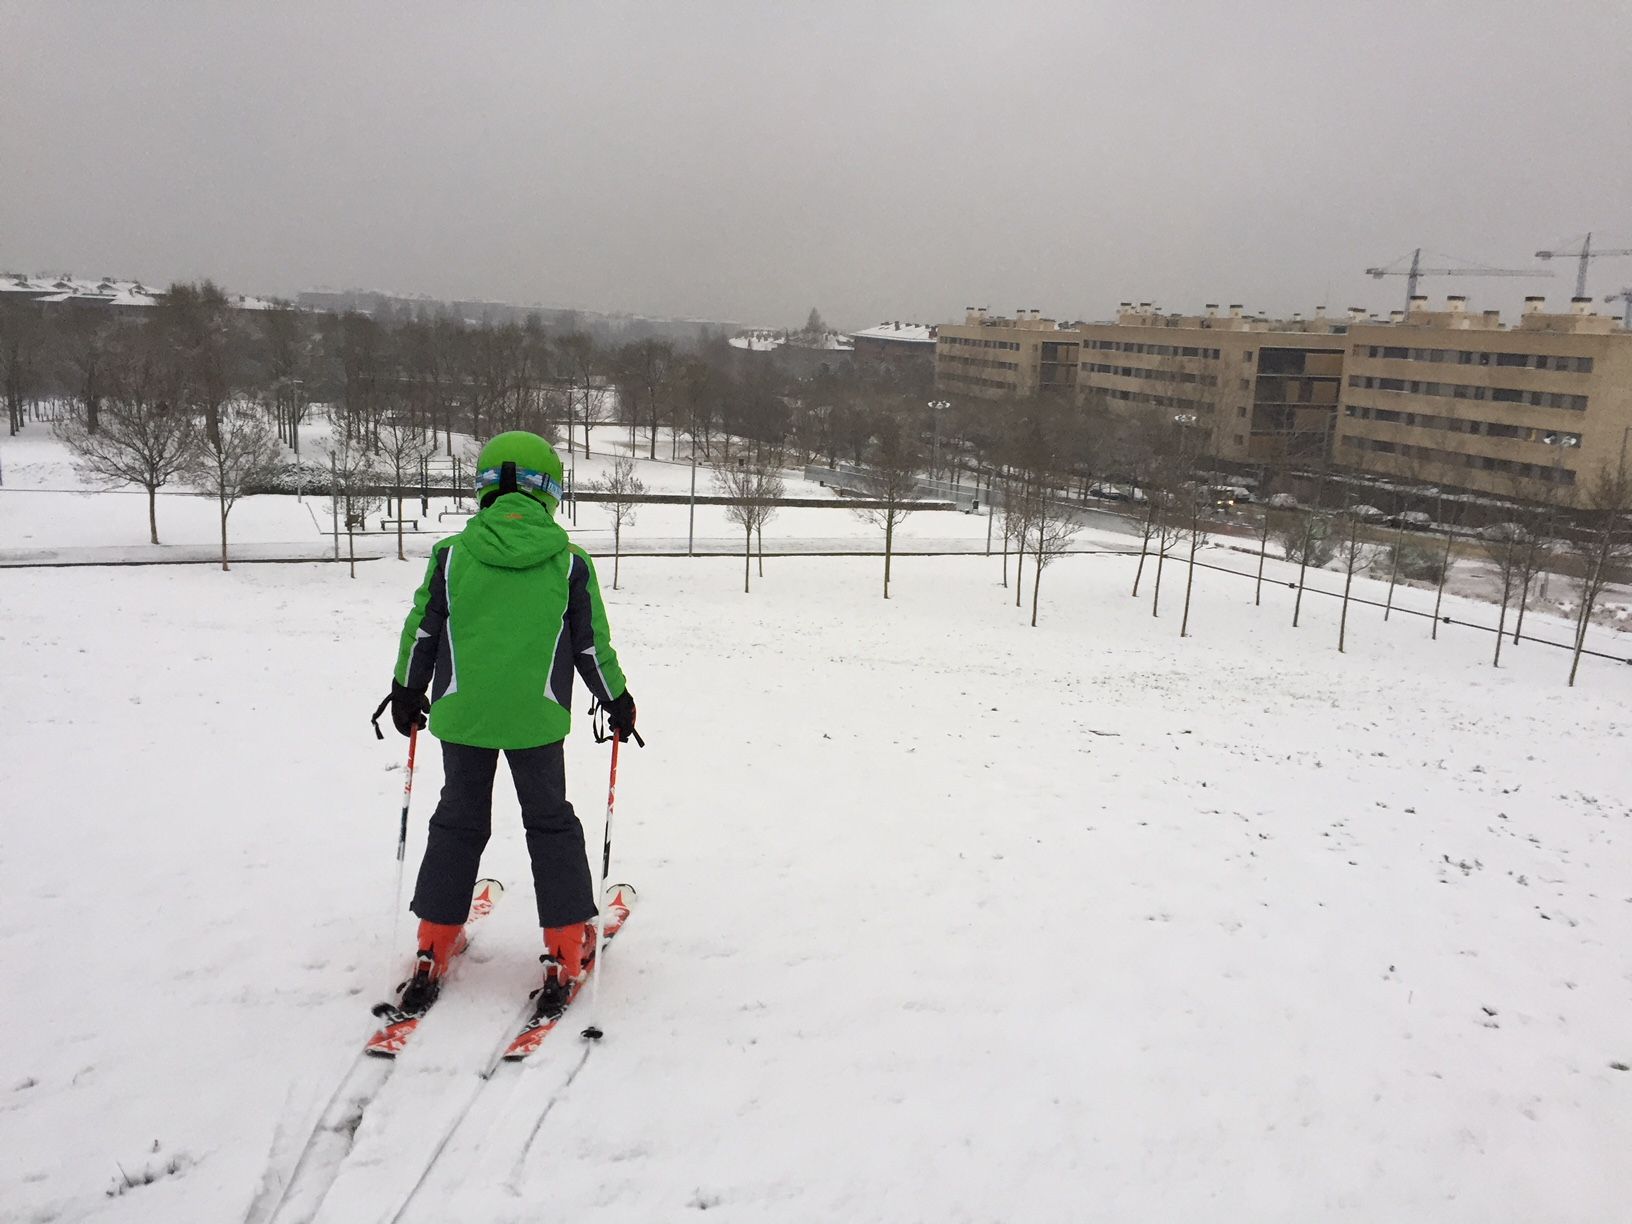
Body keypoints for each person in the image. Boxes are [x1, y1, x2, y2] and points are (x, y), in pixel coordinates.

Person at [384, 430, 637, 1019]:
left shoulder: (452, 556)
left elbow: (422, 629)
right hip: (536, 719)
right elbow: (590, 646)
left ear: (485, 486)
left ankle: (434, 940)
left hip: (462, 714)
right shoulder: (569, 563)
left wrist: (406, 690)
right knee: (550, 822)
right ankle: (565, 943)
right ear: (550, 490)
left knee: (458, 818)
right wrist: (618, 700)